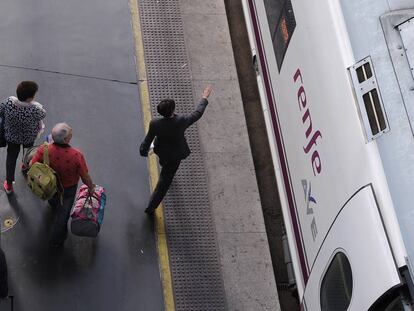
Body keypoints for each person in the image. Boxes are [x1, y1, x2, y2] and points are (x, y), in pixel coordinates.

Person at [140, 85, 213, 214]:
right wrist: (204, 97)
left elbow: (148, 139)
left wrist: (143, 150)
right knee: (164, 182)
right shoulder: (181, 121)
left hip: (161, 151)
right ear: (172, 110)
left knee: (163, 163)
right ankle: (151, 206)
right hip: (175, 155)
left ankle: (152, 205)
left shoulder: (155, 123)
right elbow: (197, 113)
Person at [30, 123, 95, 247]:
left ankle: (53, 203)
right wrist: (91, 187)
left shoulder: (44, 149)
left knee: (53, 198)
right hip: (68, 188)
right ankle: (56, 240)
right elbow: (84, 176)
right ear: (66, 140)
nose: (71, 134)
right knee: (63, 215)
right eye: (70, 134)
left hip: (50, 185)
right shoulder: (76, 155)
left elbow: (33, 164)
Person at [0, 81, 46, 194]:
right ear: (30, 97)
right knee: (28, 153)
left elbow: (0, 111)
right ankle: (25, 166)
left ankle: (9, 184)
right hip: (29, 136)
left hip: (12, 137)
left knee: (11, 158)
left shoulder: (8, 103)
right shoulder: (35, 109)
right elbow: (43, 114)